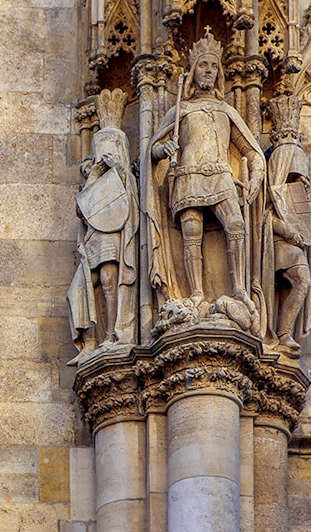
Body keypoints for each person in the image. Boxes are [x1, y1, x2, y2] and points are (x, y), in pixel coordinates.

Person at [148, 30, 264, 321]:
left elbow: (252, 152)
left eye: (213, 66)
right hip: (188, 174)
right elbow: (151, 148)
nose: (208, 71)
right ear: (192, 71)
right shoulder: (182, 109)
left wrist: (254, 180)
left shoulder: (225, 110)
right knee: (191, 232)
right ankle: (197, 292)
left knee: (235, 224)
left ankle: (238, 287)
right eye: (203, 65)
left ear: (219, 72)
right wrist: (164, 150)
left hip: (221, 175)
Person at [68, 89, 138, 365]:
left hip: (112, 236)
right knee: (78, 290)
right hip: (94, 240)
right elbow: (82, 208)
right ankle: (90, 342)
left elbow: (124, 204)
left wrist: (117, 170)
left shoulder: (124, 180)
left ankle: (112, 334)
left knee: (110, 282)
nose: (104, 152)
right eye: (101, 146)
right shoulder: (92, 181)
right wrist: (95, 175)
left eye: (110, 146)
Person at [266, 94, 311, 350]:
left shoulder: (296, 185)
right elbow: (267, 215)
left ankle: (284, 332)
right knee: (300, 281)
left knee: (302, 282)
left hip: (294, 242)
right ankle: (282, 333)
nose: (300, 177)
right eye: (295, 172)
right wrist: (289, 232)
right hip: (279, 241)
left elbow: (300, 210)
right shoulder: (275, 180)